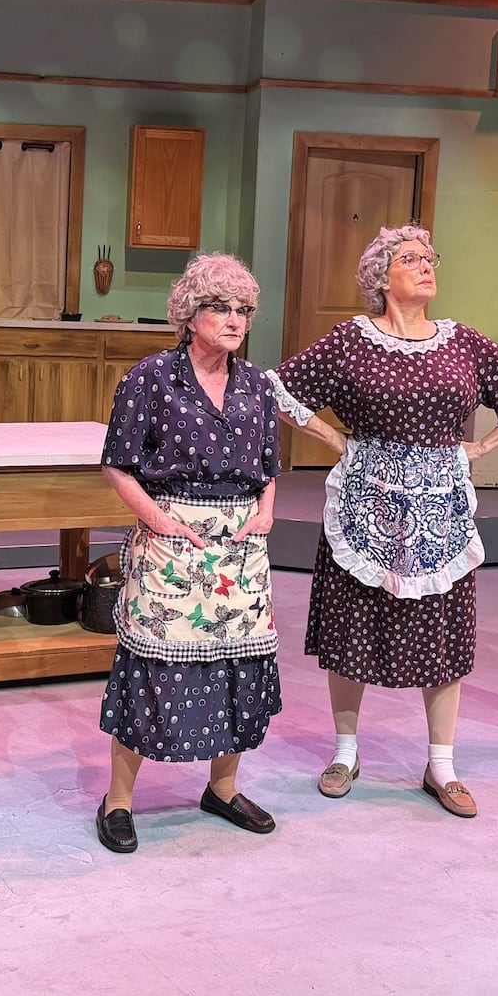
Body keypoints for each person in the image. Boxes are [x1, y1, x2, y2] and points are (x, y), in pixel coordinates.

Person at [270, 224, 498, 818]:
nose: (427, 266)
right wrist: (333, 438)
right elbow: (278, 387)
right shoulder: (351, 340)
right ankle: (346, 752)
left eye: (431, 258)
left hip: (438, 506)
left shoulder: (460, 342)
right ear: (381, 277)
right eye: (411, 259)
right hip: (367, 501)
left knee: (443, 631)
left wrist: (482, 448)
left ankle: (442, 765)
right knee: (353, 625)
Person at [94, 252, 297, 854]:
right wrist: (158, 522)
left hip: (239, 546)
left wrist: (266, 510)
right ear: (190, 313)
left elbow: (268, 465)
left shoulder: (258, 383)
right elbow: (117, 464)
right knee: (153, 668)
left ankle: (224, 789)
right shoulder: (151, 378)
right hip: (171, 537)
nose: (235, 320)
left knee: (238, 664)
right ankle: (119, 801)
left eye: (244, 310)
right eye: (221, 308)